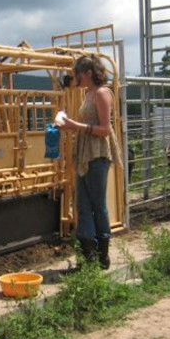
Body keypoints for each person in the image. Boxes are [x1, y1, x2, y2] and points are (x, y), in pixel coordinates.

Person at [58, 55, 122, 269]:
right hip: (85, 152)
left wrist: (76, 126)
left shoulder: (103, 93)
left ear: (88, 73)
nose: (75, 78)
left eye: (77, 73)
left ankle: (103, 254)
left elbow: (105, 129)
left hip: (97, 153)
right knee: (82, 205)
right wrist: (70, 125)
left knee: (97, 204)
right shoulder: (88, 94)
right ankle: (88, 256)